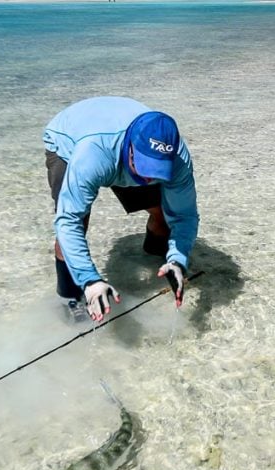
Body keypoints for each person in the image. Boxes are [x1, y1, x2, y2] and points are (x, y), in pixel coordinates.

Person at [44, 96, 199, 322]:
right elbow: (68, 221)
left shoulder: (177, 160)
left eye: (157, 170)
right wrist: (90, 280)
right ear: (131, 148)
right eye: (145, 167)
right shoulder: (92, 154)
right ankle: (71, 296)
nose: (147, 177)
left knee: (164, 214)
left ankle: (163, 264)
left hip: (117, 148)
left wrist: (178, 258)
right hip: (69, 141)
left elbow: (184, 216)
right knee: (79, 221)